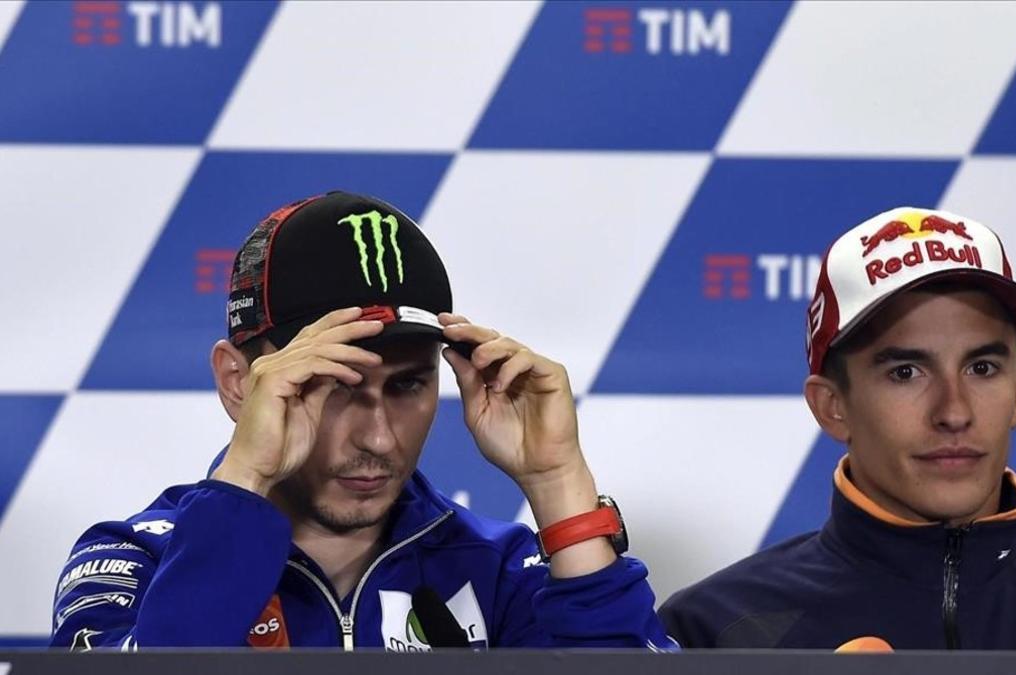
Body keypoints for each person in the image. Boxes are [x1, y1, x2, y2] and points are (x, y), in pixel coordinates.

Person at [50, 191, 672, 651]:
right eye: (332, 386)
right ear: (239, 383)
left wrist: (558, 483)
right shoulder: (131, 560)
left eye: (407, 385)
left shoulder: (500, 570)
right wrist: (247, 475)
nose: (378, 438)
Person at [658, 207, 1016, 650]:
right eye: (906, 372)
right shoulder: (715, 631)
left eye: (982, 368)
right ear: (832, 406)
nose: (954, 411)